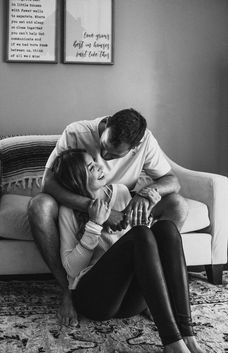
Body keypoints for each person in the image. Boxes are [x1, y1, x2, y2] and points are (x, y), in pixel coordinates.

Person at [28, 108, 188, 324]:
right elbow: (47, 182)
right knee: (39, 205)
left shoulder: (144, 146)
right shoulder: (76, 133)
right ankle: (67, 290)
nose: (104, 158)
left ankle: (174, 319)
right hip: (82, 207)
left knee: (176, 206)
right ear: (107, 124)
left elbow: (172, 181)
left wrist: (145, 196)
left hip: (121, 203)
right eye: (103, 147)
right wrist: (97, 212)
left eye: (113, 155)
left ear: (135, 148)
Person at [51, 148, 203, 353]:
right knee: (140, 234)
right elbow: (71, 268)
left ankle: (187, 334)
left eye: (94, 162)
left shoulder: (121, 192)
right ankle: (172, 343)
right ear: (78, 180)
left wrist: (149, 206)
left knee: (165, 229)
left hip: (131, 301)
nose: (98, 166)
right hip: (96, 301)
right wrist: (94, 225)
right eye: (90, 168)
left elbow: (142, 245)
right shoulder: (68, 210)